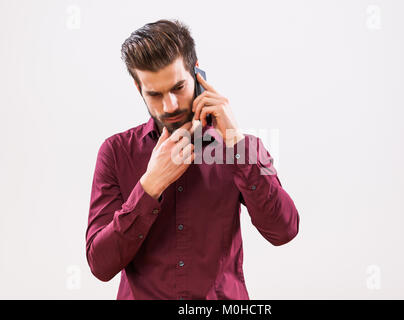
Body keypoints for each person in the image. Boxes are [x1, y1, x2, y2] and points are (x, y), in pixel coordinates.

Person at [85, 19, 300, 300]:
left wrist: (236, 143)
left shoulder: (246, 148)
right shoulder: (115, 152)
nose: (170, 105)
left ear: (197, 73)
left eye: (178, 88)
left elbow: (284, 230)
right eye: (155, 94)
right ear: (139, 89)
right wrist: (149, 186)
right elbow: (100, 264)